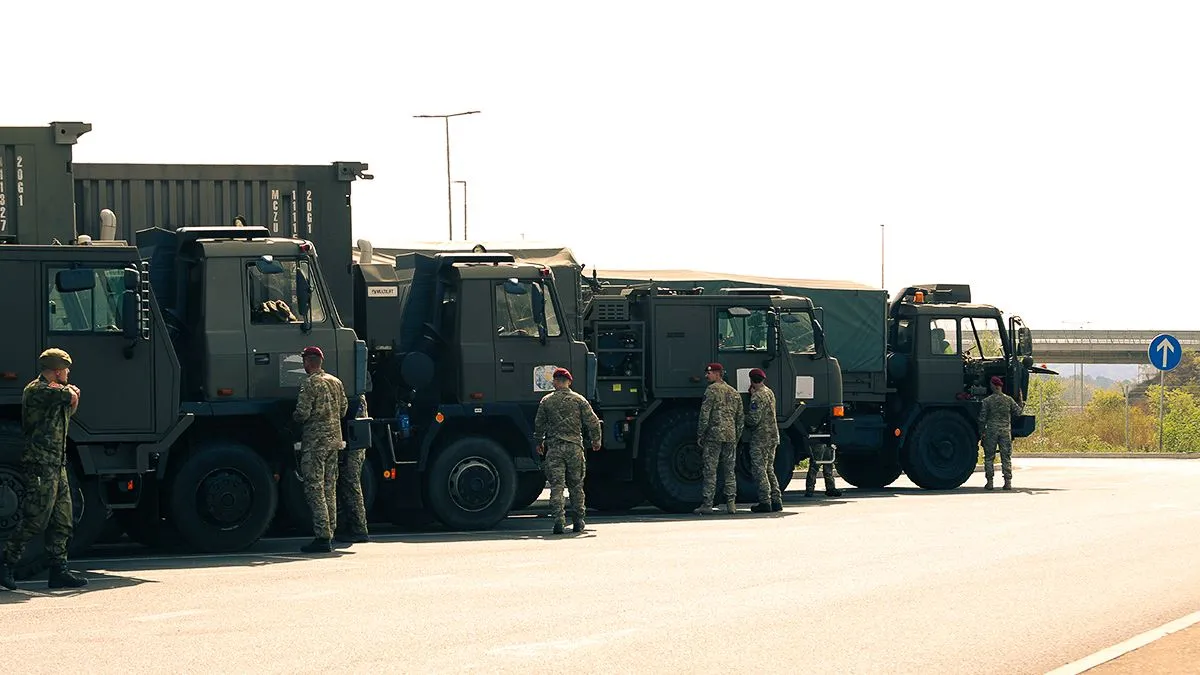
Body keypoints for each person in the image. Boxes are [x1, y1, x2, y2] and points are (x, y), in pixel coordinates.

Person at [1, 348, 88, 590]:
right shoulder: (37, 389)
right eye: (66, 369)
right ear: (58, 370)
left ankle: (58, 570)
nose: (69, 373)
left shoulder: (55, 391)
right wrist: (70, 392)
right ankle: (6, 563)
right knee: (35, 519)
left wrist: (71, 394)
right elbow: (67, 396)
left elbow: (70, 407)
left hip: (57, 463)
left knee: (63, 520)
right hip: (40, 464)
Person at [292, 346, 348, 553]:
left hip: (315, 444)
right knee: (329, 487)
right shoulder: (336, 382)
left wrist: (291, 420)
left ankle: (322, 536)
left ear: (308, 362)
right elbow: (343, 411)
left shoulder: (309, 384)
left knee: (314, 488)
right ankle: (330, 531)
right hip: (334, 442)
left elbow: (302, 413)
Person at [533, 368, 601, 534]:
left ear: (555, 382)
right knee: (576, 486)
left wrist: (539, 441)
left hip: (555, 449)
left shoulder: (546, 401)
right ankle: (578, 520)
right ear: (569, 382)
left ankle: (558, 520)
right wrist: (596, 440)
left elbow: (539, 424)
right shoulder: (579, 400)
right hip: (574, 449)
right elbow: (593, 421)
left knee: (557, 486)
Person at [695, 362, 743, 515]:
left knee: (710, 470)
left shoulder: (711, 390)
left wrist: (700, 434)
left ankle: (707, 504)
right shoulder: (734, 392)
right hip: (730, 436)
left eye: (709, 373)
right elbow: (740, 418)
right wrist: (737, 436)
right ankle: (731, 504)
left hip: (714, 435)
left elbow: (705, 414)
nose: (706, 376)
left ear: (717, 373)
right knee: (729, 470)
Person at [335, 381, 371, 545]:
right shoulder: (357, 394)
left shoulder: (357, 397)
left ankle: (359, 529)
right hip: (353, 440)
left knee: (351, 483)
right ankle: (350, 527)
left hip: (354, 442)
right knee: (347, 483)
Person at [745, 368, 783, 513]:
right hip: (773, 436)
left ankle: (765, 501)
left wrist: (741, 417)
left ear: (751, 380)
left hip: (760, 438)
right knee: (769, 469)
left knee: (759, 470)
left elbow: (754, 420)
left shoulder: (757, 397)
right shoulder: (769, 392)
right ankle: (776, 500)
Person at [980, 375, 1022, 490]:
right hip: (1005, 432)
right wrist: (1021, 401)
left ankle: (990, 482)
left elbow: (982, 419)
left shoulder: (987, 401)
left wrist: (981, 432)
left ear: (993, 386)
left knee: (989, 457)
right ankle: (1007, 482)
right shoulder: (1008, 400)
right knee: (1006, 457)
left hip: (991, 431)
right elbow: (1018, 413)